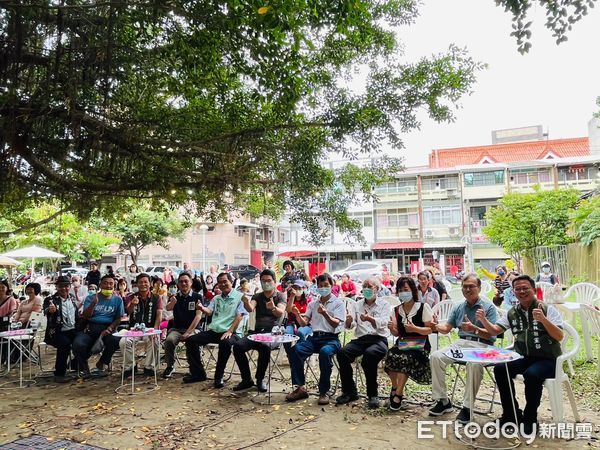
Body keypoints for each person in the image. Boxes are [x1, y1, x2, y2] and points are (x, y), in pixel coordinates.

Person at [476, 275, 564, 434]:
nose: (522, 291)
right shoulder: (512, 312)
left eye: (525, 288)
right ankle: (511, 414)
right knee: (500, 369)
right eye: (517, 289)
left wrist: (544, 320)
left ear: (533, 289)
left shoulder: (547, 309)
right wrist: (483, 320)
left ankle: (530, 418)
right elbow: (495, 331)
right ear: (513, 292)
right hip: (523, 356)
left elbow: (559, 336)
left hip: (548, 359)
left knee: (532, 375)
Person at [428, 273, 498, 424]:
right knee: (436, 356)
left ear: (479, 288)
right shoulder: (459, 306)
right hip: (462, 344)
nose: (467, 289)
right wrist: (435, 326)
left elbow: (493, 334)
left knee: (474, 363)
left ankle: (467, 407)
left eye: (471, 286)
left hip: (483, 345)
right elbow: (447, 328)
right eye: (464, 287)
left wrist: (475, 329)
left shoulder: (488, 307)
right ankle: (443, 401)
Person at [285, 273, 345, 405]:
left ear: (332, 286)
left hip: (332, 339)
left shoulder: (338, 303)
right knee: (295, 350)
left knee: (325, 353)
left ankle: (323, 391)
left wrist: (325, 314)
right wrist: (296, 314)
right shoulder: (313, 304)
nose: (323, 288)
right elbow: (303, 323)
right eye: (320, 286)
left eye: (326, 285)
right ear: (317, 287)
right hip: (314, 338)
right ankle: (300, 388)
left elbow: (336, 324)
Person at [183, 272, 248, 387]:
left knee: (225, 343)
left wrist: (230, 331)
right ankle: (198, 373)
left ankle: (219, 375)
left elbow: (239, 316)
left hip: (232, 332)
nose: (222, 284)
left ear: (231, 282)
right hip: (215, 330)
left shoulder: (239, 296)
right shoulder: (216, 298)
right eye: (220, 282)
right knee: (191, 340)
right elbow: (209, 311)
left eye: (225, 282)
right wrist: (202, 308)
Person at [336, 278, 391, 409]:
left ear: (377, 289)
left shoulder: (384, 304)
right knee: (342, 353)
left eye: (370, 286)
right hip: (361, 339)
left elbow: (384, 323)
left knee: (369, 355)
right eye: (364, 285)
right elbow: (351, 325)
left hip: (379, 339)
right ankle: (350, 391)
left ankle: (372, 394)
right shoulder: (358, 304)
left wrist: (370, 319)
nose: (366, 288)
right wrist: (349, 321)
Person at [232, 269, 286, 392]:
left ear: (274, 281)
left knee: (264, 346)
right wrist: (246, 302)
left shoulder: (280, 296)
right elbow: (250, 308)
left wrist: (273, 308)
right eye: (263, 281)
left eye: (269, 280)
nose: (266, 283)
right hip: (257, 333)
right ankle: (246, 379)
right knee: (238, 346)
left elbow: (280, 312)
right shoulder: (257, 296)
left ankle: (260, 379)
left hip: (274, 334)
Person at [384, 277, 433, 410]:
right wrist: (392, 328)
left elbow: (430, 329)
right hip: (403, 343)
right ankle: (395, 386)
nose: (403, 292)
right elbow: (396, 334)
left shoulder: (423, 307)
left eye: (406, 289)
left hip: (420, 345)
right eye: (400, 290)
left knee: (405, 359)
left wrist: (415, 329)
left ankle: (398, 394)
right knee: (390, 355)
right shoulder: (396, 310)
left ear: (413, 290)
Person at [72, 275, 125, 377]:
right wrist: (93, 304)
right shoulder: (90, 298)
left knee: (115, 340)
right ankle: (84, 367)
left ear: (114, 285)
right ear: (100, 284)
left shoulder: (118, 300)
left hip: (107, 329)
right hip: (90, 328)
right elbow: (86, 316)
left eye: (111, 284)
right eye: (105, 283)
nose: (108, 286)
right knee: (78, 344)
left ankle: (101, 363)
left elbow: (118, 318)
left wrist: (110, 328)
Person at [119, 273, 163, 377]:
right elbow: (128, 312)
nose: (143, 284)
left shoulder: (157, 297)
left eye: (145, 282)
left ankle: (149, 367)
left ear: (150, 284)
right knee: (123, 342)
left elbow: (159, 315)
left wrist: (155, 331)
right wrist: (133, 304)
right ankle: (130, 366)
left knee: (155, 341)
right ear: (137, 284)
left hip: (150, 329)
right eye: (140, 282)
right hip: (134, 329)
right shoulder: (131, 296)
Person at [162, 272, 204, 378]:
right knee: (169, 340)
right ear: (178, 284)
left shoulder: (197, 297)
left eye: (186, 281)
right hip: (177, 329)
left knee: (191, 340)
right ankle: (170, 366)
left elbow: (198, 316)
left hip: (193, 329)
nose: (183, 283)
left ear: (191, 283)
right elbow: (167, 308)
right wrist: (173, 302)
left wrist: (188, 332)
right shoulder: (175, 296)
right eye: (181, 282)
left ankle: (193, 368)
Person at [43, 276, 80, 383]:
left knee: (85, 342)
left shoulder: (72, 298)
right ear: (56, 287)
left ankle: (75, 364)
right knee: (65, 345)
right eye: (61, 286)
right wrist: (51, 310)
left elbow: (76, 314)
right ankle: (59, 373)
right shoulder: (50, 299)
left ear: (70, 286)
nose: (64, 289)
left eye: (66, 286)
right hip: (58, 332)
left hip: (73, 329)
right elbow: (46, 310)